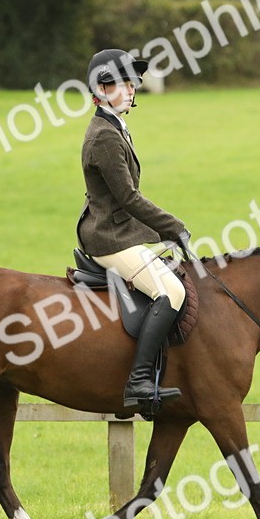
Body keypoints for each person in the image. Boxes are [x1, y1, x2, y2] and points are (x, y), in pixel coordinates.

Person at [76, 48, 190, 413]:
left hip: (118, 229)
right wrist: (173, 227)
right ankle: (139, 381)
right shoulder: (105, 138)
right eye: (120, 83)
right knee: (171, 291)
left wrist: (161, 234)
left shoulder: (115, 126)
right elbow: (127, 197)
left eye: (131, 82)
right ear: (100, 89)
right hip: (108, 238)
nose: (130, 89)